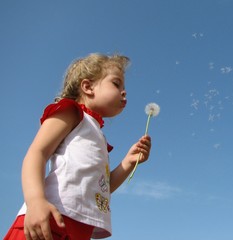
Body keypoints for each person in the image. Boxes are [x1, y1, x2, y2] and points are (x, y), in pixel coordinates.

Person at [4, 53, 152, 240]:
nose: (124, 92)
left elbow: (100, 188)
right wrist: (35, 201)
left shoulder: (97, 135)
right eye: (116, 84)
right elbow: (37, 153)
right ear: (88, 87)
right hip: (49, 220)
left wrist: (128, 162)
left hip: (80, 228)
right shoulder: (73, 113)